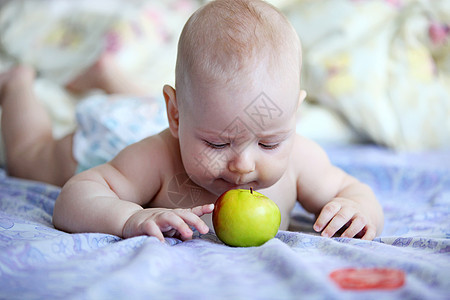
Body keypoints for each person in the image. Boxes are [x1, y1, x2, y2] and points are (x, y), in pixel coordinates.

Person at [47, 0, 383, 242]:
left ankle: (108, 77)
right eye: (217, 143)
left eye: (268, 143)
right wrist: (129, 218)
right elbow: (73, 198)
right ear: (175, 116)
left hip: (178, 113)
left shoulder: (302, 160)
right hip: (109, 135)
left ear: (294, 115)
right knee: (32, 157)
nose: (243, 165)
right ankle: (16, 85)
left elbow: (352, 190)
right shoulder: (156, 159)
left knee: (161, 106)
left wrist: (357, 209)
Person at [0, 54, 153, 187]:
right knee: (31, 159)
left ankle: (106, 74)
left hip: (155, 116)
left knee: (150, 111)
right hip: (117, 146)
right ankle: (16, 84)